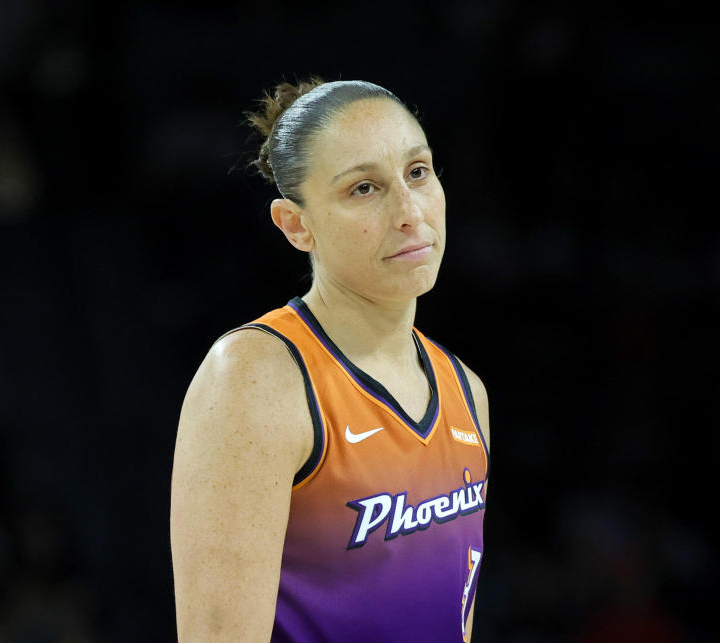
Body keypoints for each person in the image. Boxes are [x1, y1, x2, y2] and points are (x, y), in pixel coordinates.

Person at [170, 78, 491, 643]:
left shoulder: (467, 390)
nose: (409, 211)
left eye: (418, 172)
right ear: (296, 225)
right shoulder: (256, 377)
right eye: (364, 188)